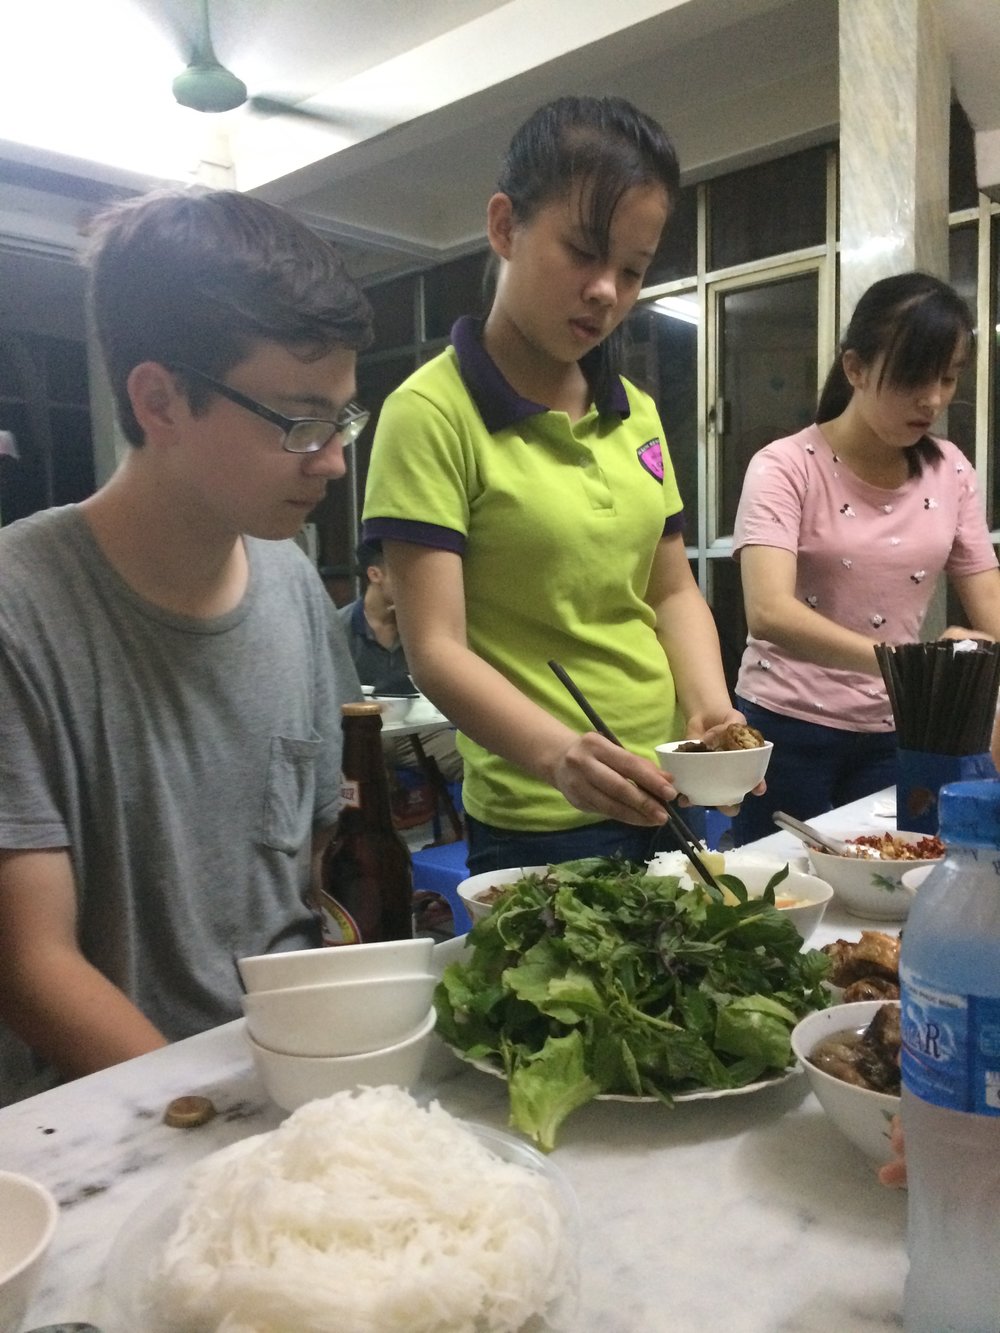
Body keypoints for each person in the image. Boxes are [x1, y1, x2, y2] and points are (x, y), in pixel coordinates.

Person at [0, 188, 373, 1104]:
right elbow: (30, 964)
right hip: (112, 1119)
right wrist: (223, 1117)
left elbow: (312, 869)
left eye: (341, 420)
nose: (330, 459)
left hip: (287, 1076)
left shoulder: (289, 583)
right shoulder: (21, 608)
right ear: (160, 400)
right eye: (298, 421)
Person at [362, 95, 754, 874]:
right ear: (506, 226)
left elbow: (671, 591)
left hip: (669, 786)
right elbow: (434, 646)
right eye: (583, 252)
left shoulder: (634, 412)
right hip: (543, 813)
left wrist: (709, 709)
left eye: (633, 271)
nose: (607, 290)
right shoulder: (430, 412)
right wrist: (558, 756)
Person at [730, 271, 1000, 845]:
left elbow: (990, 601)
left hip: (897, 730)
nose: (933, 399)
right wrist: (913, 665)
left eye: (948, 378)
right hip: (784, 723)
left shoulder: (950, 470)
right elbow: (769, 613)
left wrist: (973, 654)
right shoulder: (785, 466)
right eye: (913, 378)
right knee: (782, 894)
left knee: (889, 888)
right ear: (855, 369)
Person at [336, 537, 463, 784]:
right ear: (375, 574)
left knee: (473, 762)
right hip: (358, 734)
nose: (417, 583)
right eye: (405, 574)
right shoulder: (338, 627)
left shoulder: (422, 626)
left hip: (417, 729)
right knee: (366, 786)